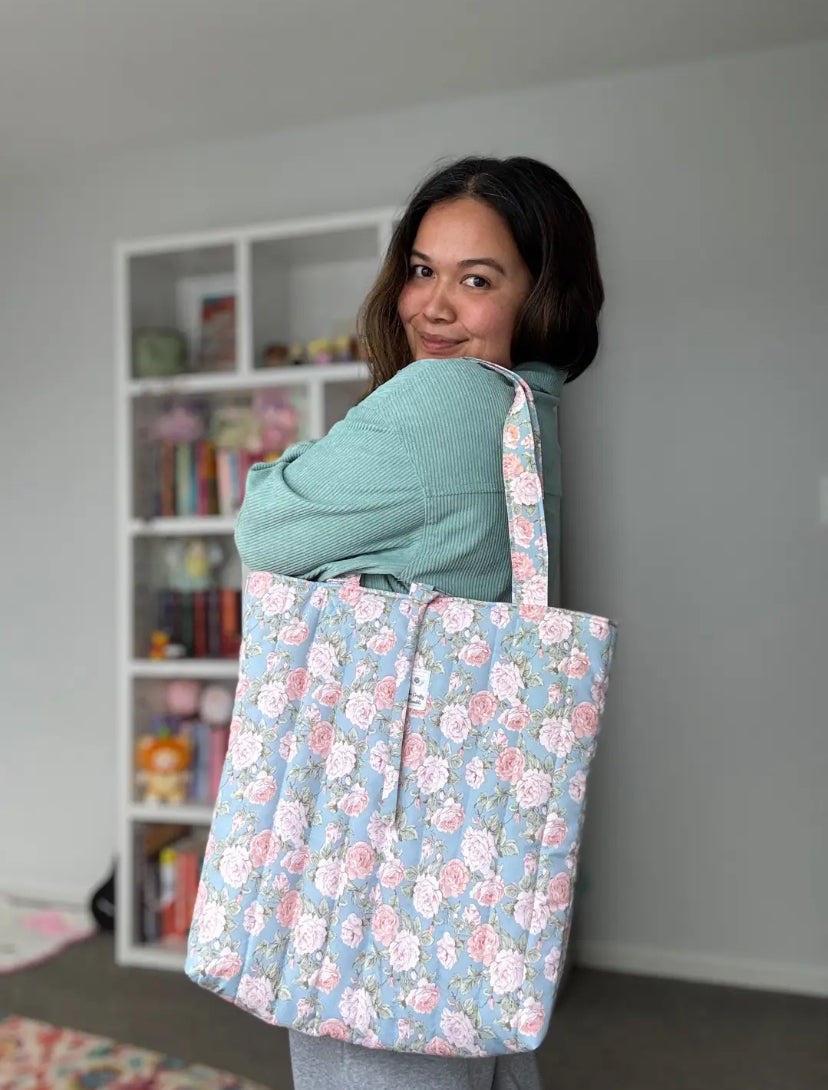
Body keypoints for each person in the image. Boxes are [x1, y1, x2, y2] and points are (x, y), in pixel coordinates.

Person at [234, 155, 604, 1090]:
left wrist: (312, 470)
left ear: (541, 294)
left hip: (376, 840)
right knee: (478, 1051)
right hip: (467, 864)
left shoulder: (442, 398)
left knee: (365, 1045)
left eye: (477, 280)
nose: (432, 306)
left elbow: (265, 525)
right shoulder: (533, 407)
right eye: (421, 269)